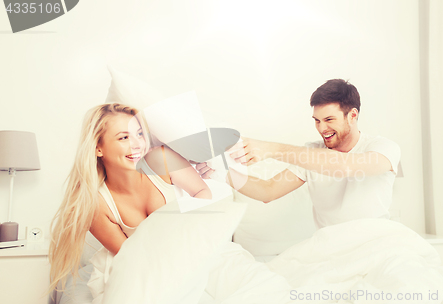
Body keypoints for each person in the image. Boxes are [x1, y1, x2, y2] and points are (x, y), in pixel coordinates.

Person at [195, 79, 401, 230]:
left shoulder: (383, 148)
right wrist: (223, 173)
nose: (322, 128)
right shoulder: (310, 154)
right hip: (332, 248)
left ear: (352, 115)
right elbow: (268, 190)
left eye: (329, 119)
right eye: (317, 120)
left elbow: (346, 166)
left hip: (376, 243)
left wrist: (272, 149)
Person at [48, 103, 212, 292]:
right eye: (124, 137)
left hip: (189, 250)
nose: (137, 144)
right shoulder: (96, 206)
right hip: (140, 268)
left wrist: (194, 236)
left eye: (140, 134)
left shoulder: (162, 159)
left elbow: (202, 192)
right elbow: (133, 259)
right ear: (98, 148)